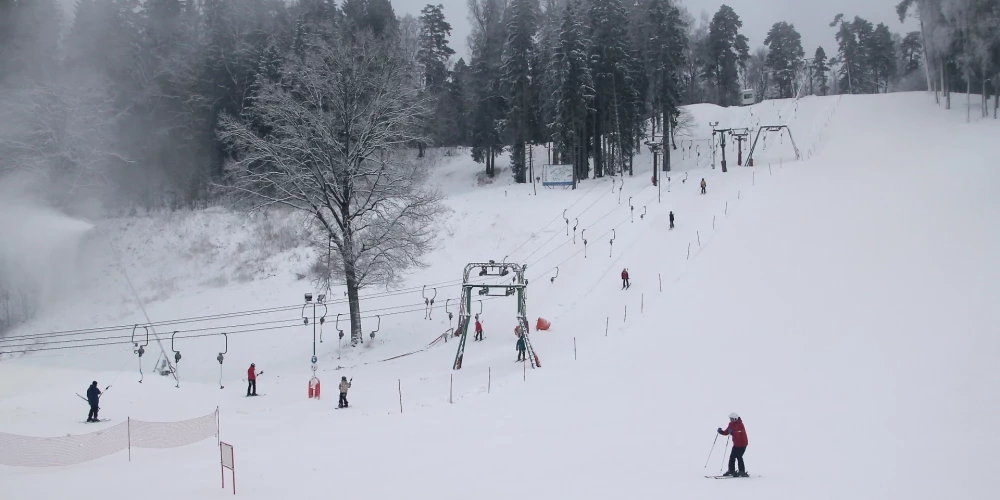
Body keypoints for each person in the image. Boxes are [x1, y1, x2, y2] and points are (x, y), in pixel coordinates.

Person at [718, 412, 749, 477]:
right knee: (732, 457)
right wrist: (721, 432)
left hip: (742, 444)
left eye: (731, 418)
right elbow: (727, 432)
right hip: (736, 444)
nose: (730, 420)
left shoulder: (740, 424)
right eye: (730, 418)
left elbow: (740, 434)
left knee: (739, 457)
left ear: (735, 418)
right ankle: (731, 470)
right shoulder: (731, 424)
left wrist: (733, 433)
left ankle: (742, 471)